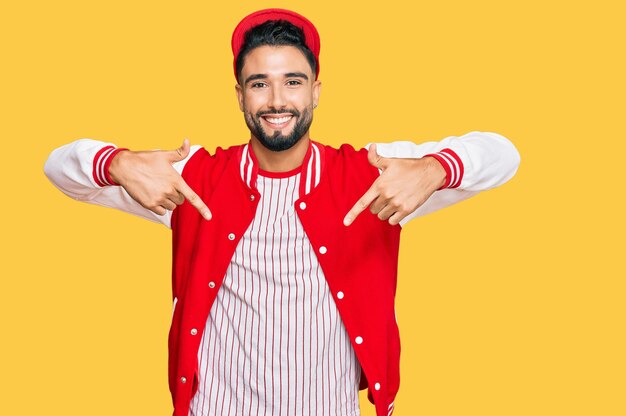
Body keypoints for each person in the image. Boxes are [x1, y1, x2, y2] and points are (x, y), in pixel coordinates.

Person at [44, 8, 520, 416]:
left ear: (315, 90)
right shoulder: (192, 178)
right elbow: (59, 167)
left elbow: (502, 153)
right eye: (259, 84)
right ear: (239, 96)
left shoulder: (373, 174)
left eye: (293, 82)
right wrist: (119, 163)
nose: (276, 101)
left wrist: (436, 168)